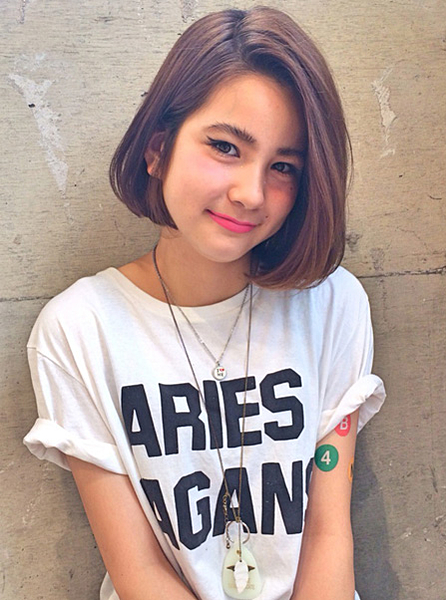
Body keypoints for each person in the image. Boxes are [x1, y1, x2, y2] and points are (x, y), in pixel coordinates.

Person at [24, 6, 386, 600]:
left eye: (283, 167)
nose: (250, 193)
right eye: (225, 147)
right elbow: (139, 570)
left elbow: (328, 535)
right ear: (157, 149)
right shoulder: (80, 330)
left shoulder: (331, 304)